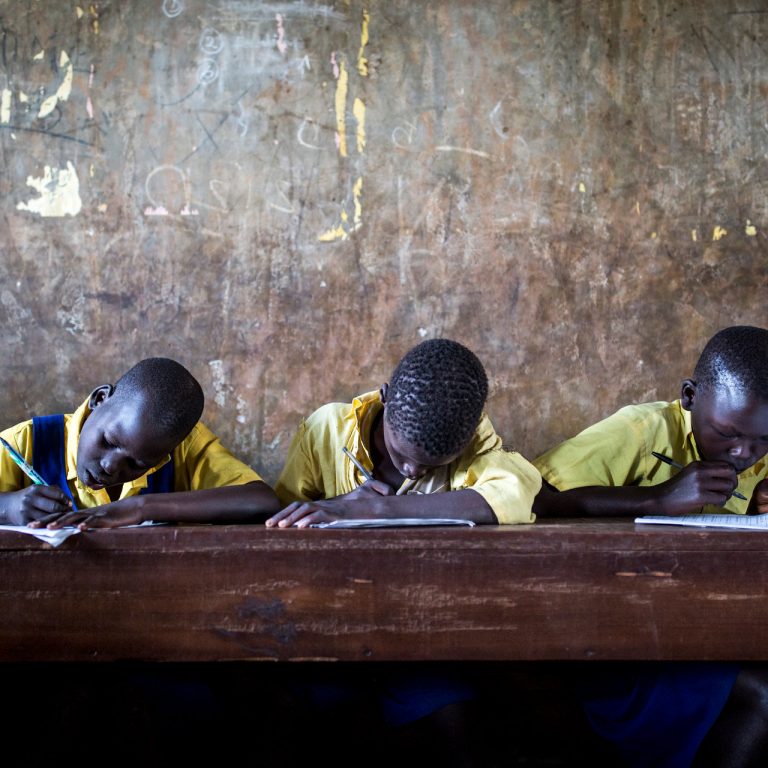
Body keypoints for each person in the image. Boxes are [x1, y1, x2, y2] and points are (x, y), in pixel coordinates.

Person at [532, 325, 768, 767]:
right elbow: (532, 495)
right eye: (728, 433)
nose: (744, 453)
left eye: (763, 440)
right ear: (689, 396)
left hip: (702, 632)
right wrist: (656, 498)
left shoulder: (755, 444)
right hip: (617, 642)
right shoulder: (642, 432)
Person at [267, 337, 540, 528]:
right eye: (401, 453)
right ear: (385, 398)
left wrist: (376, 510)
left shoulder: (476, 440)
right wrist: (340, 504)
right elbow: (280, 515)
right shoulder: (326, 430)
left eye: (431, 466)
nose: (412, 471)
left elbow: (514, 495)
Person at [0, 357, 280, 529]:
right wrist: (9, 507)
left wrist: (140, 508)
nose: (110, 466)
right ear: (100, 399)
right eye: (108, 440)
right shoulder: (27, 441)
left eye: (137, 464)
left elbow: (262, 501)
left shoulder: (181, 446)